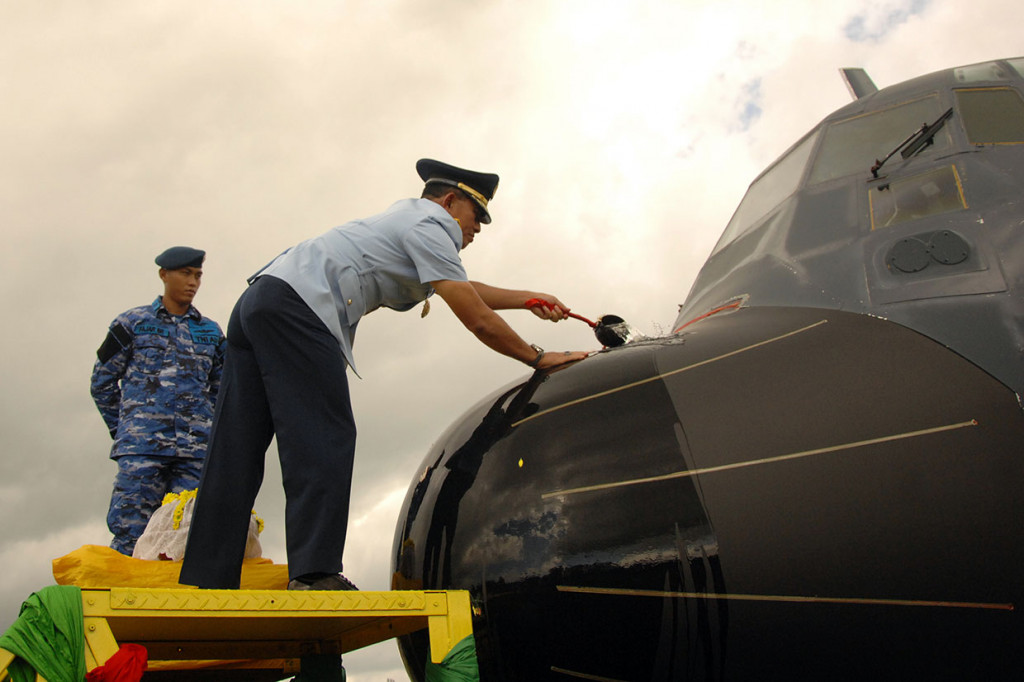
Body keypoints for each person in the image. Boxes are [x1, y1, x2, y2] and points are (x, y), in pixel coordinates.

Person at [179, 159, 589, 591]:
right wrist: (536, 357)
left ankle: (206, 578)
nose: (478, 228)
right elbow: (475, 316)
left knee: (235, 448)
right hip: (300, 308)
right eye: (475, 215)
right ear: (449, 202)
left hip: (258, 302)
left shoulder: (407, 221)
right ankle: (314, 573)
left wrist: (527, 299)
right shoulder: (432, 225)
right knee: (324, 436)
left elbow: (462, 287)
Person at [90, 246, 225, 556]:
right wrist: (127, 429)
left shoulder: (211, 332)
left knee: (186, 538)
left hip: (194, 454)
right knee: (130, 534)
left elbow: (222, 391)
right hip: (142, 452)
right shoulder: (131, 324)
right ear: (164, 275)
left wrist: (207, 433)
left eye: (198, 275)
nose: (193, 282)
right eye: (185, 274)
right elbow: (102, 382)